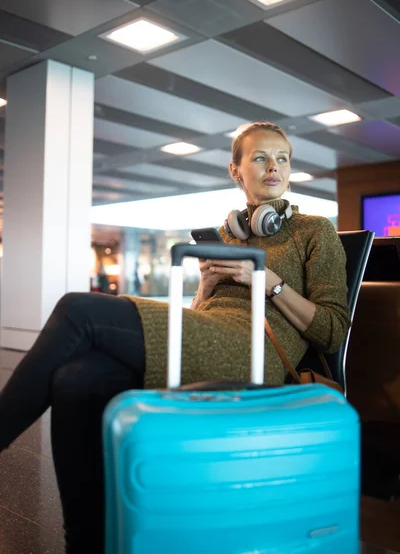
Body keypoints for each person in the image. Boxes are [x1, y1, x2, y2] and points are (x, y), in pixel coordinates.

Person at [0, 122, 351, 553]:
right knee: (78, 377)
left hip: (257, 354)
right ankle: (86, 543)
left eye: (282, 158)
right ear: (236, 171)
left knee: (78, 308)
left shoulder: (315, 231)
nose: (274, 167)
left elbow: (333, 331)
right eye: (260, 157)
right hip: (217, 338)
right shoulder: (226, 237)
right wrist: (204, 288)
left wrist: (266, 280)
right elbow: (204, 322)